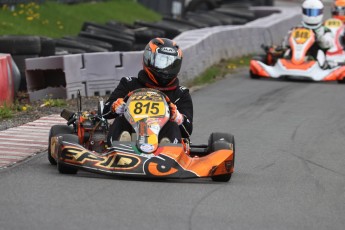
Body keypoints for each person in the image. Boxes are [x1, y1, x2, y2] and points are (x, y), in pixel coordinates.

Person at [103, 38, 193, 145]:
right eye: (162, 61)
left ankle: (167, 145)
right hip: (131, 137)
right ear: (148, 58)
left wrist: (178, 118)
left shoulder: (180, 94)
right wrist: (115, 107)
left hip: (162, 146)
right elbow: (105, 112)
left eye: (171, 63)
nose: (166, 69)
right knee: (121, 119)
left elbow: (188, 131)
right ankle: (122, 143)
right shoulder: (129, 84)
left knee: (172, 124)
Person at [281, 0, 334, 68]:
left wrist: (319, 37)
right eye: (309, 12)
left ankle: (312, 61)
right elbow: (285, 43)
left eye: (314, 13)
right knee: (288, 50)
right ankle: (288, 61)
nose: (311, 16)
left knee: (319, 52)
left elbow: (327, 45)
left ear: (320, 13)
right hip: (298, 51)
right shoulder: (297, 28)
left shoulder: (325, 30)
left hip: (315, 53)